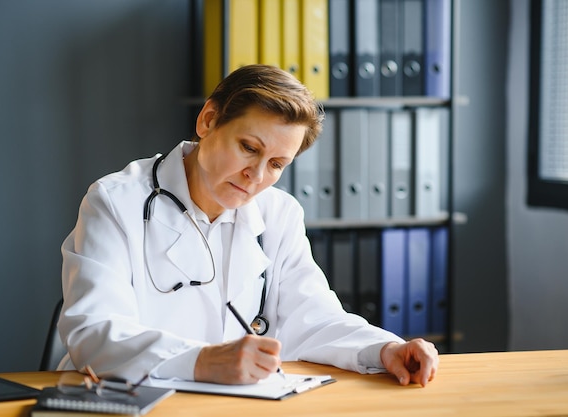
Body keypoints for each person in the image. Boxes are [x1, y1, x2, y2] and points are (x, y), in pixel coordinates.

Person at [58, 64, 439, 388]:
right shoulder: (115, 201)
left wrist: (385, 349)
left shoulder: (278, 213)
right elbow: (93, 333)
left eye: (276, 164)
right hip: (126, 398)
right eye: (249, 148)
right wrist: (203, 362)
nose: (256, 176)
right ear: (208, 121)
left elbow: (313, 316)